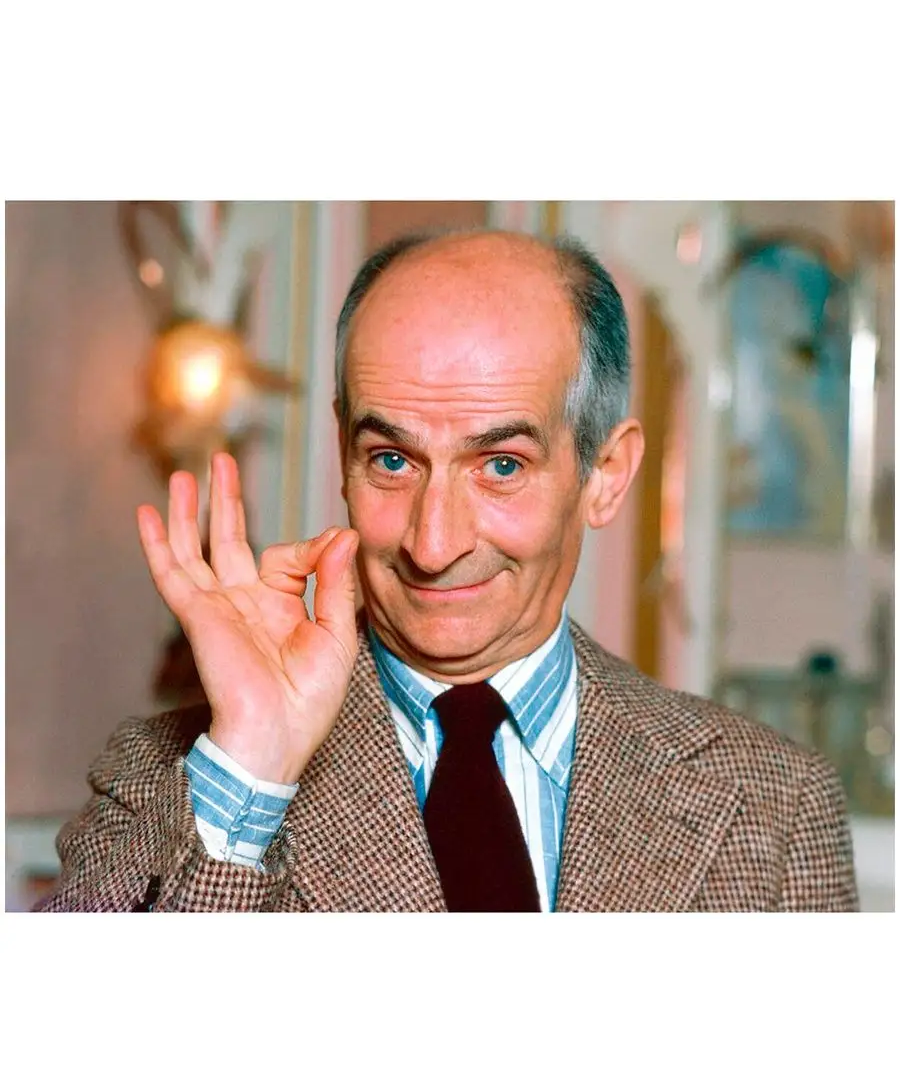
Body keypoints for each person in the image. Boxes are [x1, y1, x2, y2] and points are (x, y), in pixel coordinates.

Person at [37, 229, 858, 912]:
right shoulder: (165, 778)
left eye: (501, 466)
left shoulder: (776, 807)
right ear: (343, 451)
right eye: (391, 460)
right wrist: (255, 768)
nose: (433, 545)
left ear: (605, 474)